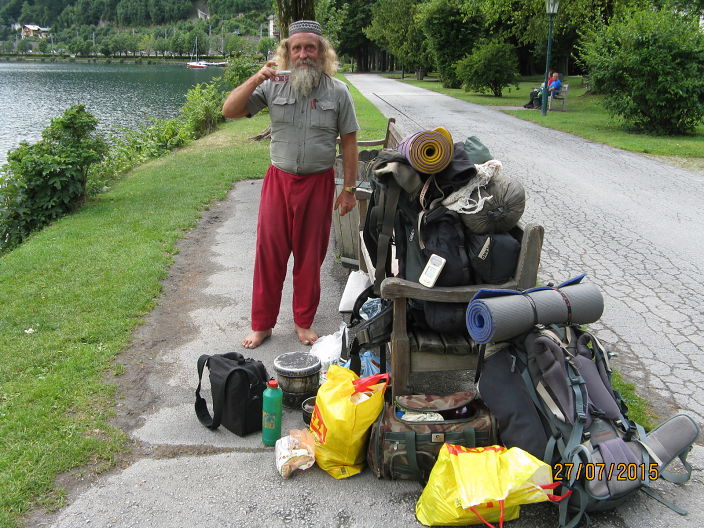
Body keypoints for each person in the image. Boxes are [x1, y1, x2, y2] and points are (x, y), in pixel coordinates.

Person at [222, 20, 360, 350]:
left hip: (318, 183)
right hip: (278, 181)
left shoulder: (338, 92)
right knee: (269, 254)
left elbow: (350, 143)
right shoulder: (272, 86)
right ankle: (262, 324)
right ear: (287, 52)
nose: (303, 54)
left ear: (321, 52)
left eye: (309, 48)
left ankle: (302, 322)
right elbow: (229, 110)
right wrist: (257, 76)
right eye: (296, 48)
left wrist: (350, 189)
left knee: (310, 257)